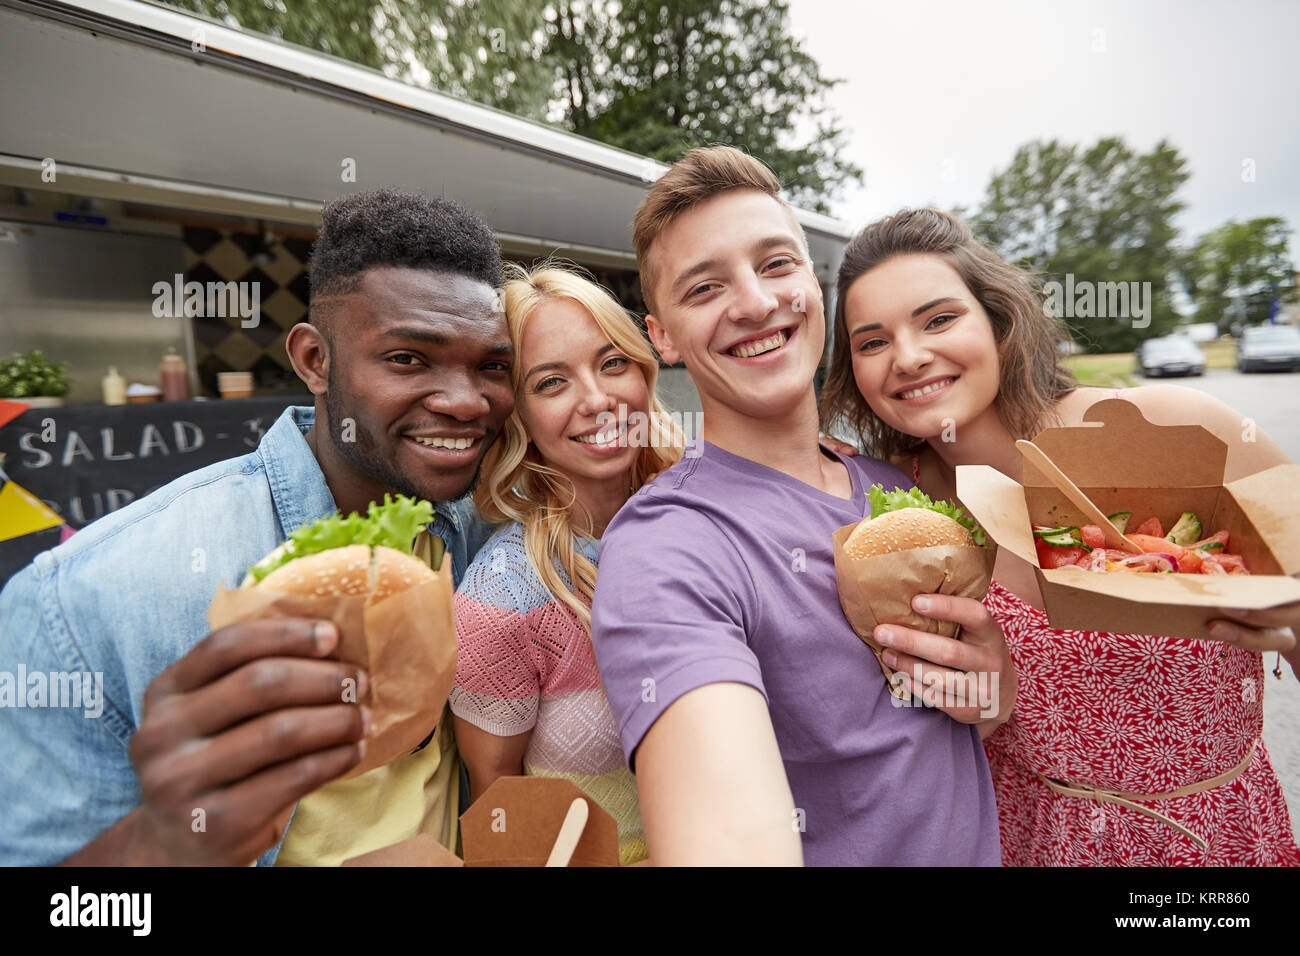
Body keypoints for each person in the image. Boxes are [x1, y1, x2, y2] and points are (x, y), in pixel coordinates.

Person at [0, 189, 514, 866]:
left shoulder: (485, 533)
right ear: (314, 360)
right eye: (408, 359)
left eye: (492, 366)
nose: (464, 401)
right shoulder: (92, 594)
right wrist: (162, 844)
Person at [819, 206, 1300, 865]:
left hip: (1217, 847)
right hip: (1021, 844)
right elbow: (916, 730)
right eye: (872, 342)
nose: (908, 356)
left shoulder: (1176, 434)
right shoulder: (888, 517)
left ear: (998, 321)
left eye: (938, 319)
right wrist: (981, 704)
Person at [587, 146, 1016, 866]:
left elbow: (930, 748)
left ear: (815, 288)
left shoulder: (898, 490)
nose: (755, 303)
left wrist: (989, 697)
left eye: (777, 264)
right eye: (703, 289)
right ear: (660, 338)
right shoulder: (669, 546)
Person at [448, 264, 683, 866]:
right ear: (517, 414)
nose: (598, 400)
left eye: (612, 363)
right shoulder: (505, 596)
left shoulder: (709, 521)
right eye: (552, 383)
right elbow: (500, 806)